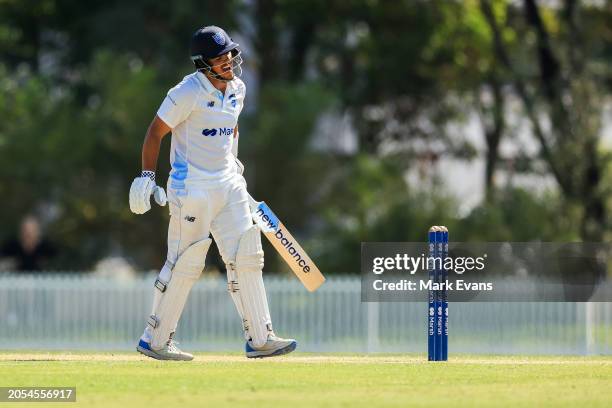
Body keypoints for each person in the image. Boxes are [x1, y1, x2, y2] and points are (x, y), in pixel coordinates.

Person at [129, 25, 297, 361]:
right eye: (220, 58)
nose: (229, 61)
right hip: (191, 186)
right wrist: (147, 175)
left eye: (230, 54)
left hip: (228, 183)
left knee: (247, 255)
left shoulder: (238, 89)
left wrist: (233, 160)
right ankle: (156, 339)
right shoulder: (186, 92)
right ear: (202, 64)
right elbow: (154, 132)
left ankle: (260, 338)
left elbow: (232, 127)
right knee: (186, 262)